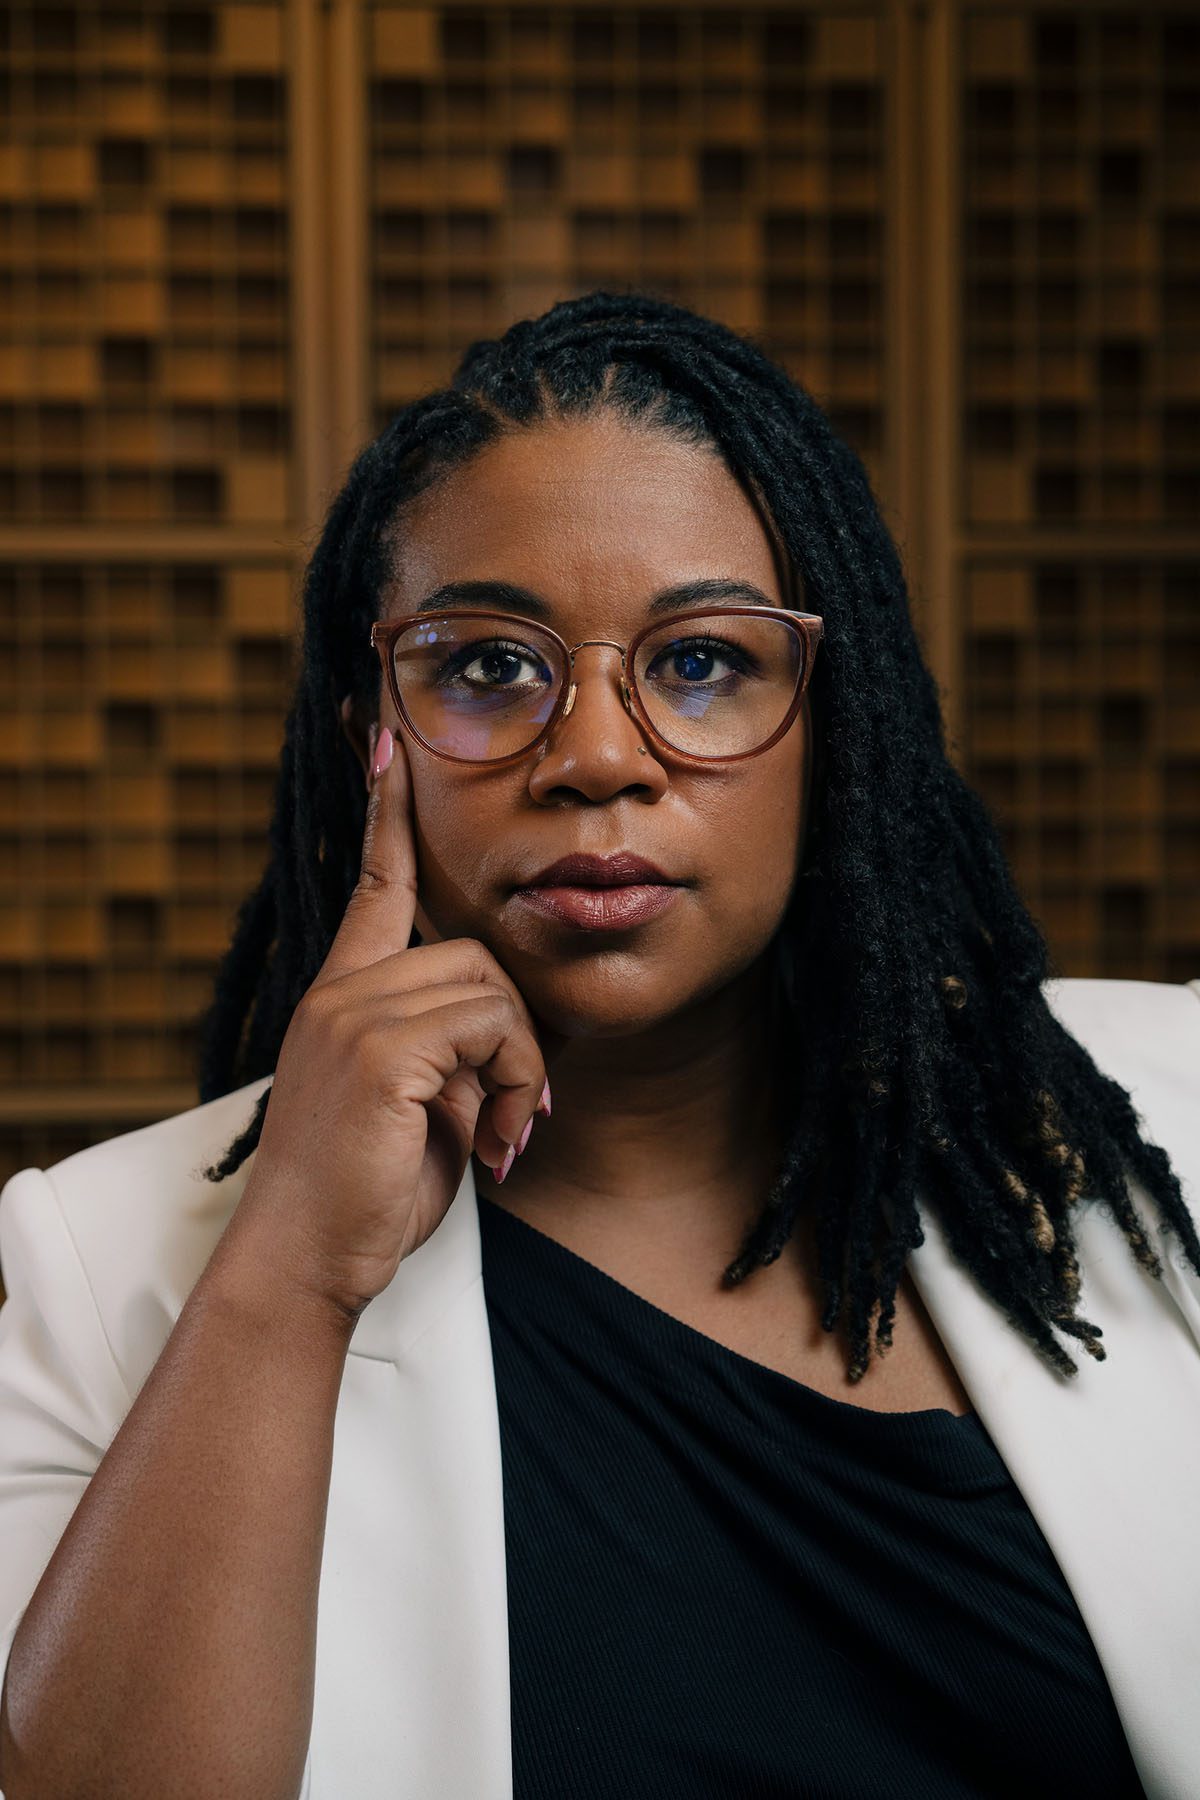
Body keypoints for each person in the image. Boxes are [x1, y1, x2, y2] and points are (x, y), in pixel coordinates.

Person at [0, 291, 1197, 1800]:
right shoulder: (108, 1262)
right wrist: (292, 1267)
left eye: (702, 662)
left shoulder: (1172, 1118)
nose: (599, 758)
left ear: (841, 724)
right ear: (372, 725)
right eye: (490, 667)